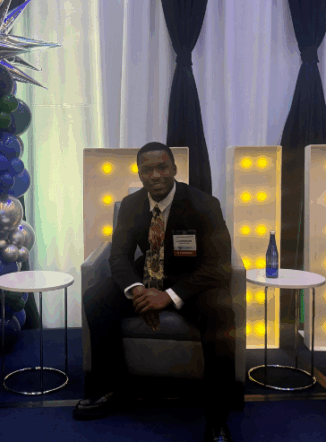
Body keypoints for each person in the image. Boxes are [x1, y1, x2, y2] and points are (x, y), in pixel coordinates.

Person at [74, 142, 238, 442]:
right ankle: (111, 388)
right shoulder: (131, 205)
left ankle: (217, 418)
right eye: (147, 170)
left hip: (193, 282)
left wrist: (168, 296)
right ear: (140, 173)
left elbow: (219, 264)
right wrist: (138, 290)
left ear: (174, 169)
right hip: (147, 275)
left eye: (162, 167)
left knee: (221, 312)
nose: (155, 176)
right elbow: (119, 256)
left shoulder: (204, 204)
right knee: (96, 298)